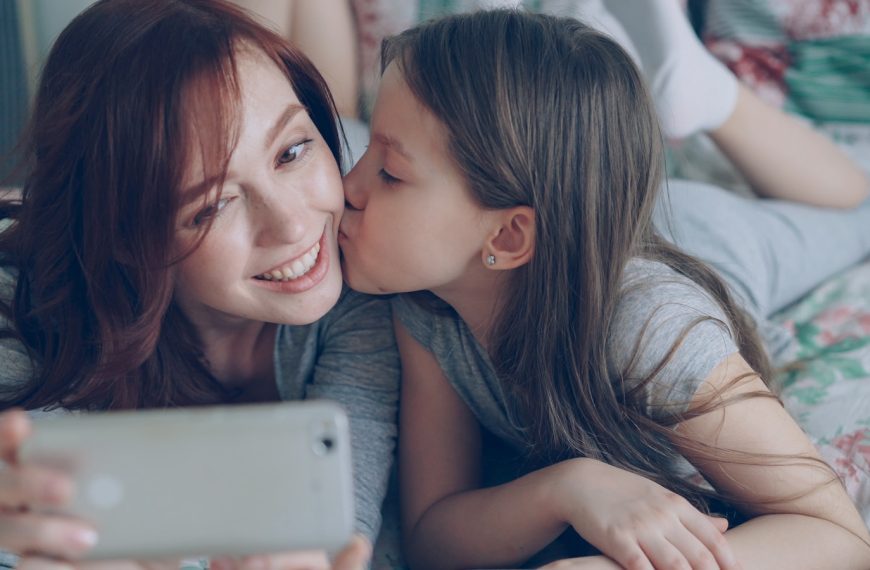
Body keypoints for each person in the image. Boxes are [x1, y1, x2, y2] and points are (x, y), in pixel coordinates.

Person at [338, 7, 870, 570]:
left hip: (716, 237)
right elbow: (432, 536)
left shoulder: (653, 327)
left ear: (509, 233)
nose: (348, 185)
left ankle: (707, 94)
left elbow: (840, 536)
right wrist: (565, 489)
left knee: (857, 214)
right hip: (592, 232)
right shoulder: (429, 306)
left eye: (390, 173)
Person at [0, 1, 399, 568]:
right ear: (122, 236)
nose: (291, 224)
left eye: (292, 151)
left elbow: (340, 530)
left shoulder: (365, 266)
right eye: (211, 207)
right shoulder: (30, 313)